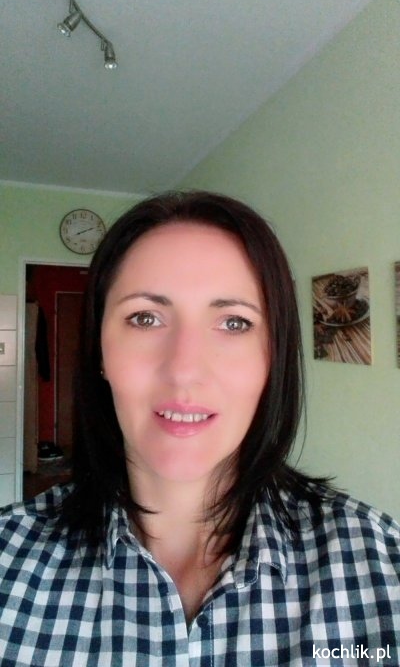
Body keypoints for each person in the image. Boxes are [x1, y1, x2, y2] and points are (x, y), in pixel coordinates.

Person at [0, 190, 399, 666]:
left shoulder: (383, 568)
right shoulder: (9, 559)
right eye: (145, 318)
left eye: (234, 323)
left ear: (273, 357)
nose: (184, 370)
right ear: (99, 351)